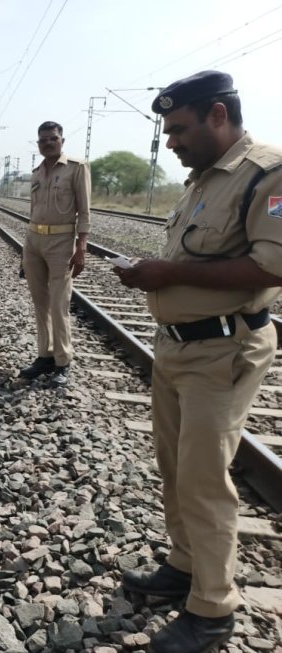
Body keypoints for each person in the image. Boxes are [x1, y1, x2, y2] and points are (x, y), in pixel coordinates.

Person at [115, 71, 282, 653]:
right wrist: (156, 276)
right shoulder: (201, 179)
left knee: (204, 479)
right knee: (173, 468)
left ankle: (213, 610)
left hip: (223, 349)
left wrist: (169, 275)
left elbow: (271, 268)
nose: (171, 142)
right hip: (178, 347)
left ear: (218, 115)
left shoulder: (268, 173)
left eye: (179, 129)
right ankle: (184, 568)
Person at [18, 120, 91, 386]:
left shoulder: (77, 168)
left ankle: (63, 361)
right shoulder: (37, 172)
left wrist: (81, 246)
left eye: (53, 138)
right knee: (40, 304)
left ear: (62, 140)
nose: (48, 143)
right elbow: (33, 211)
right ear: (38, 144)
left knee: (59, 305)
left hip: (61, 242)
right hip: (34, 241)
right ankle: (45, 356)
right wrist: (25, 252)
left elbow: (84, 212)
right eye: (43, 140)